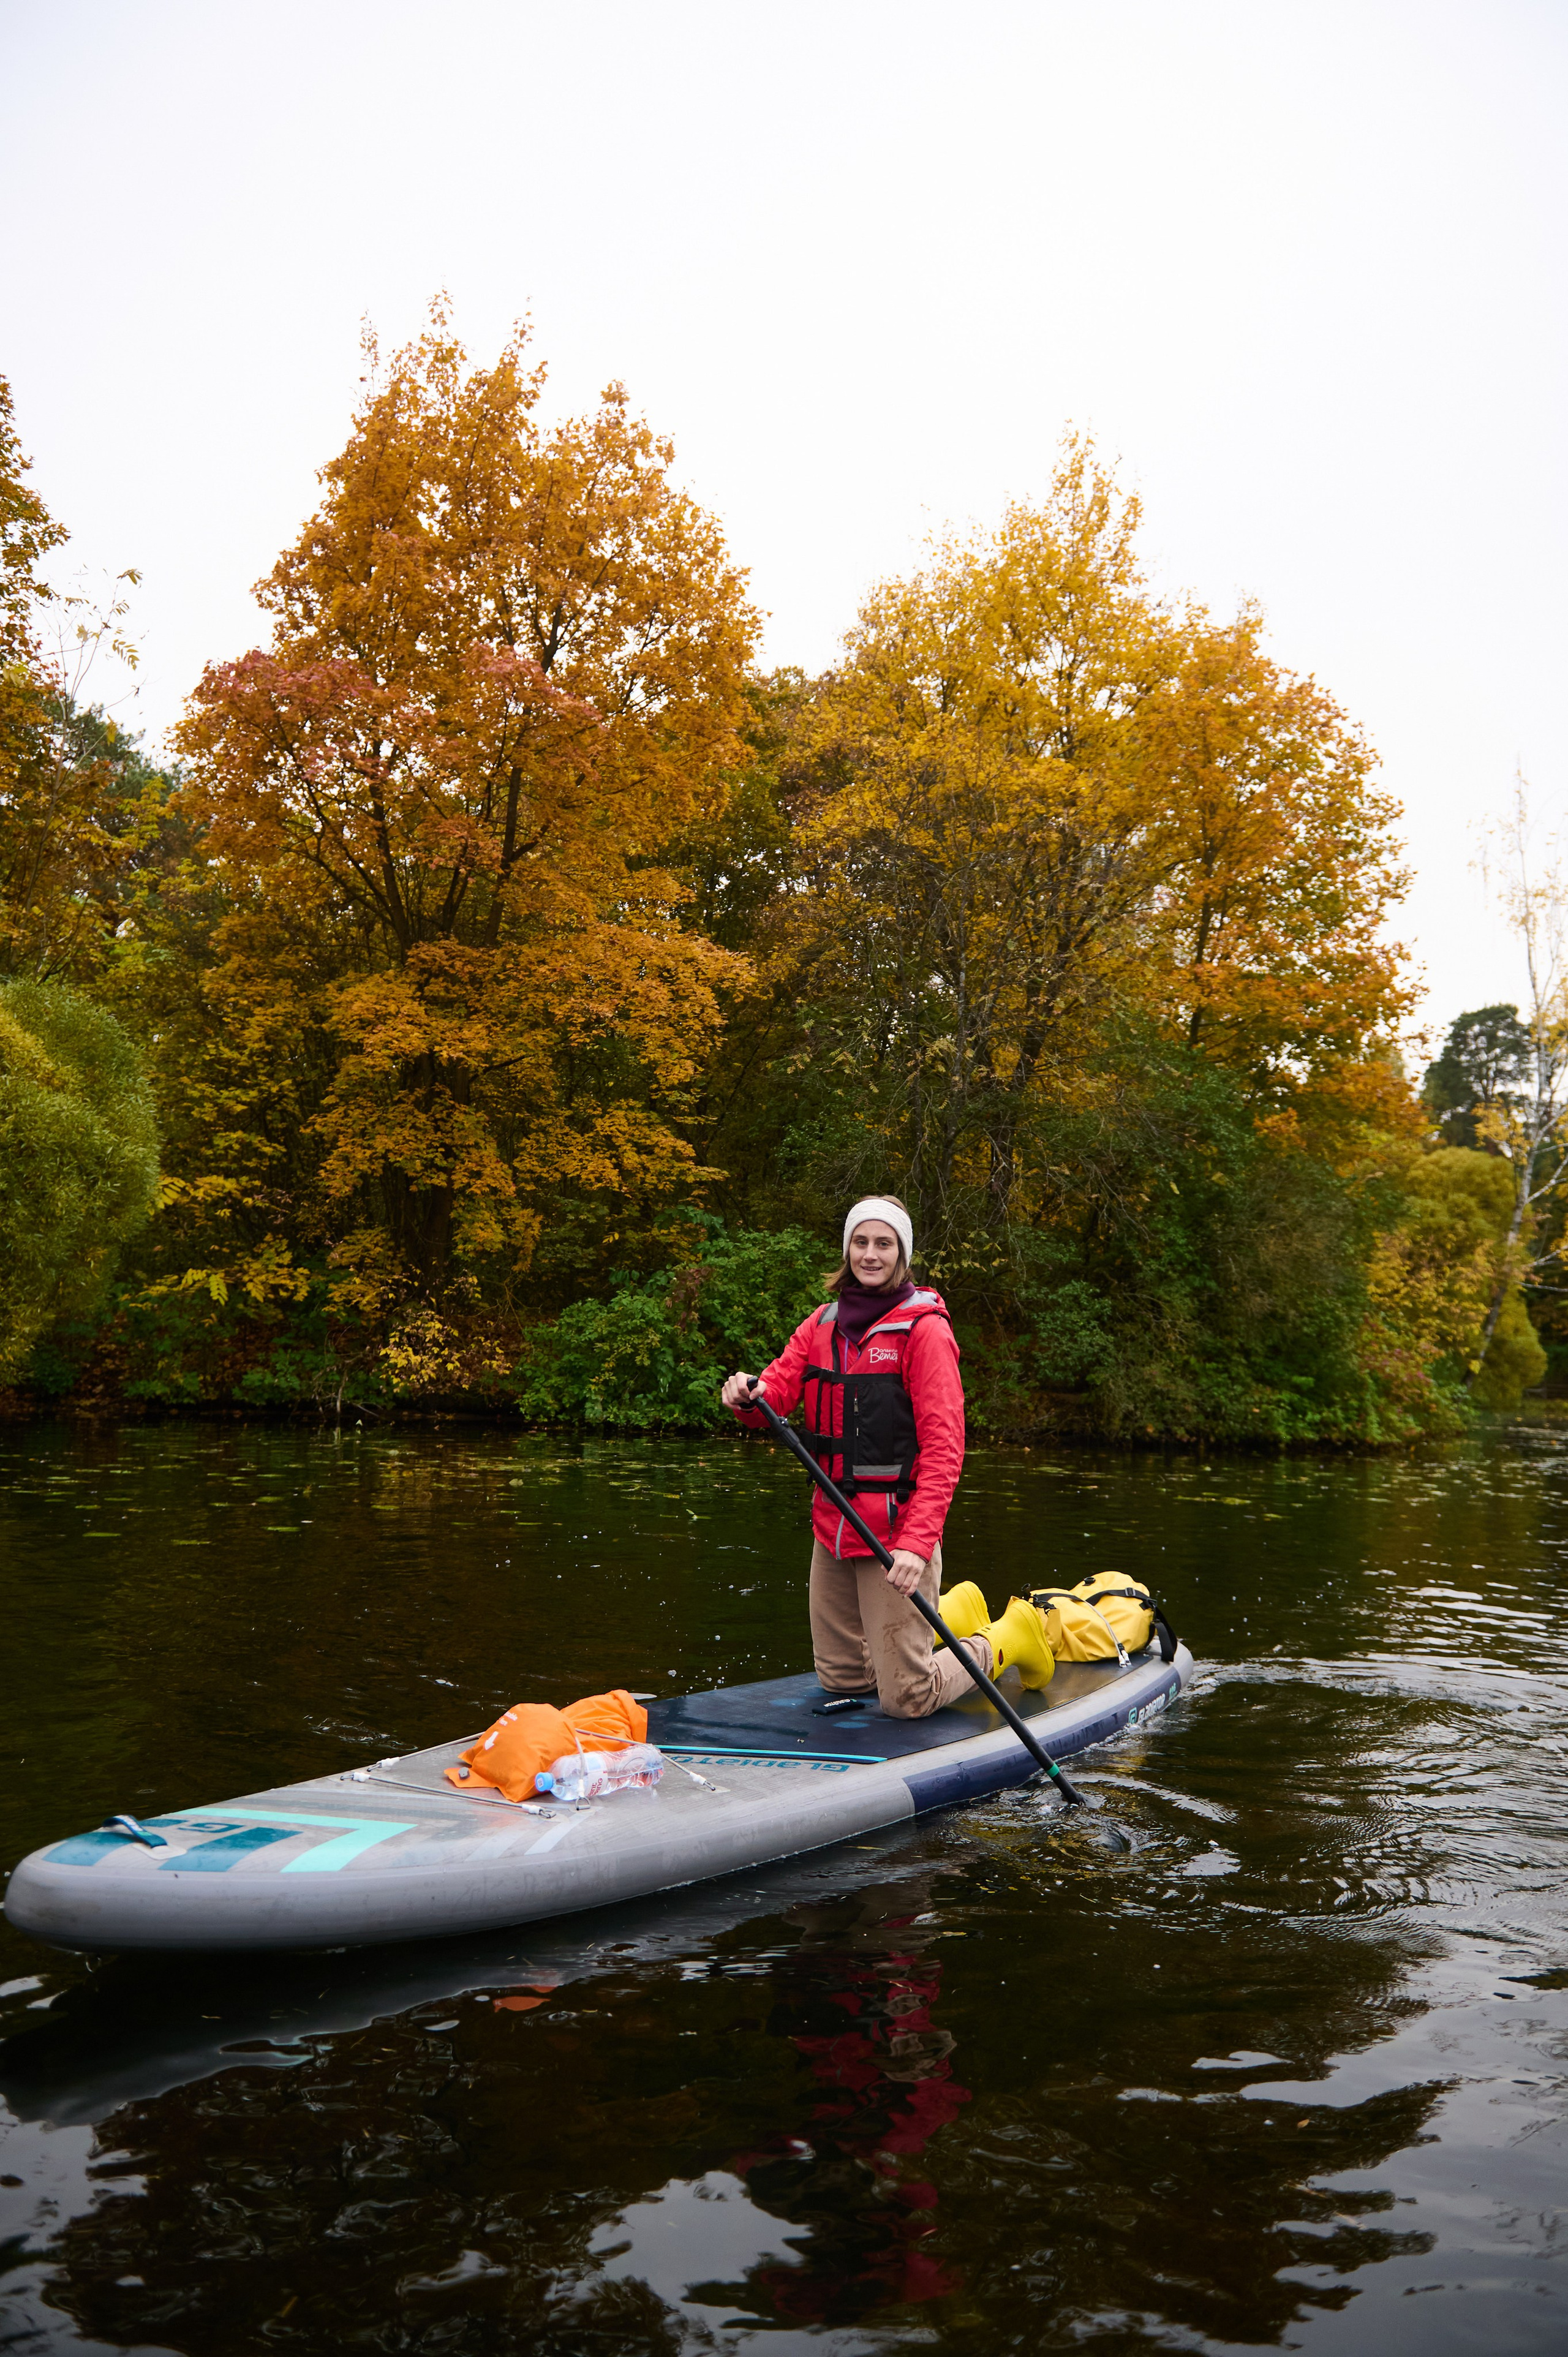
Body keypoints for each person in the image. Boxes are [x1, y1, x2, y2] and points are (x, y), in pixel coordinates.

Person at [720, 1194, 1054, 1718]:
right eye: (860, 1241)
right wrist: (747, 1394)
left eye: (884, 1243)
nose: (870, 1254)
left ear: (902, 1254)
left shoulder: (926, 1331)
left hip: (895, 1534)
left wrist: (918, 1547)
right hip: (834, 1524)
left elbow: (945, 1449)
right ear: (847, 1248)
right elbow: (776, 1394)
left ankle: (1008, 1637)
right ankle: (950, 1613)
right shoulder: (822, 1324)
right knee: (842, 1680)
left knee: (908, 1700)